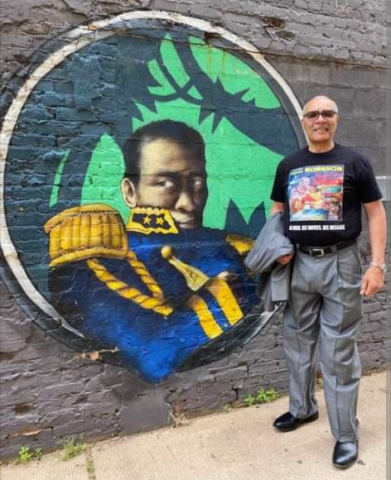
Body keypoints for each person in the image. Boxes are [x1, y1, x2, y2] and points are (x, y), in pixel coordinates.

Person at [44, 120, 260, 384]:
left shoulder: (230, 246)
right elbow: (154, 358)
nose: (188, 202)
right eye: (166, 183)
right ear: (130, 192)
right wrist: (219, 301)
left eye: (197, 181)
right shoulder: (91, 265)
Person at [270, 96, 386, 469]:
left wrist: (378, 265)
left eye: (327, 113)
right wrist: (279, 247)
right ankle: (302, 409)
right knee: (298, 342)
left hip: (343, 263)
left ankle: (346, 434)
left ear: (336, 119)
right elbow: (277, 209)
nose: (320, 119)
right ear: (303, 121)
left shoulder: (355, 162)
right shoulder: (288, 165)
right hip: (299, 263)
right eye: (313, 114)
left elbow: (375, 212)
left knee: (337, 352)